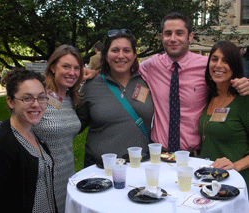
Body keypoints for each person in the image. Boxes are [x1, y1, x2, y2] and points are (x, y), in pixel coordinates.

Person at [84, 12, 249, 155]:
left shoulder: (206, 66)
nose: (173, 39)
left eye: (179, 33)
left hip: (194, 156)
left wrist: (245, 83)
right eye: (168, 33)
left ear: (190, 36)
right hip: (159, 156)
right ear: (161, 36)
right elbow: (124, 68)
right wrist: (97, 73)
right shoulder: (151, 66)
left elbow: (226, 79)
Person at [76, 29, 154, 167]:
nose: (121, 56)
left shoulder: (148, 81)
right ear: (105, 55)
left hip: (140, 166)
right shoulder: (91, 85)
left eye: (126, 50)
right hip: (100, 168)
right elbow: (75, 125)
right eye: (115, 50)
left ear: (134, 55)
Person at [32, 44, 83, 213]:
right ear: (53, 67)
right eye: (66, 66)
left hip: (67, 173)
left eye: (76, 68)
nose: (72, 72)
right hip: (41, 178)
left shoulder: (71, 99)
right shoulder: (38, 97)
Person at [0, 68, 57, 212]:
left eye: (41, 97)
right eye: (27, 98)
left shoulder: (31, 133)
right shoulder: (4, 143)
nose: (36, 104)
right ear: (11, 101)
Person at [198, 41, 249, 192]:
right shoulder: (209, 96)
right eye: (214, 59)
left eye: (226, 61)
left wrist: (235, 166)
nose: (218, 65)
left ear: (235, 66)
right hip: (208, 181)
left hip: (234, 184)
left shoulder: (244, 99)